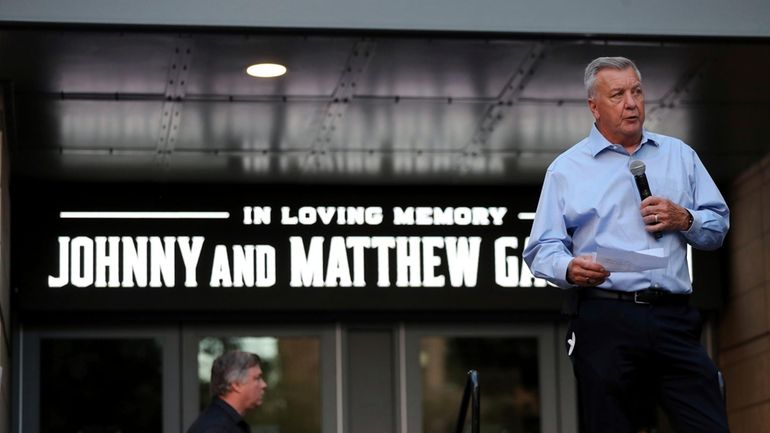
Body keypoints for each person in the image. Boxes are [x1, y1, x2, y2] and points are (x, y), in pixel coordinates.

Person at [523, 56, 730, 433]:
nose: (631, 103)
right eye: (617, 94)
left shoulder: (680, 155)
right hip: (605, 318)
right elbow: (542, 248)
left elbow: (717, 227)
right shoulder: (566, 169)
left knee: (708, 424)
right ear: (594, 106)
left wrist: (685, 218)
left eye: (636, 92)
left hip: (673, 317)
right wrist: (568, 268)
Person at [186, 350, 268, 433]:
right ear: (236, 384)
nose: (264, 385)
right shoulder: (216, 427)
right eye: (257, 378)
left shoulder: (224, 423)